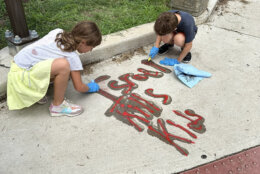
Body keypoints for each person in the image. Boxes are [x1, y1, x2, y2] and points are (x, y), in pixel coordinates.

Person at [7, 21, 102, 117]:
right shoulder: (72, 57)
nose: (90, 51)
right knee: (63, 66)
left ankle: (35, 93)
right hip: (21, 80)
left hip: (16, 69)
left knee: (61, 68)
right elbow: (79, 87)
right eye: (91, 47)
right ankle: (58, 106)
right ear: (83, 42)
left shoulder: (58, 32)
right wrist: (90, 87)